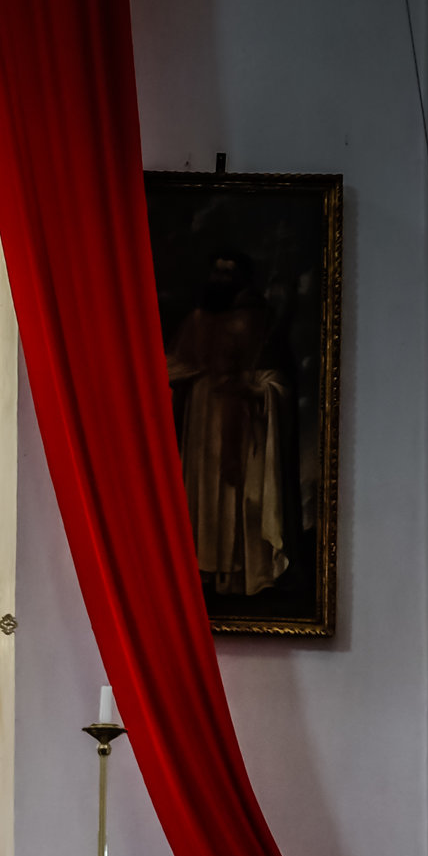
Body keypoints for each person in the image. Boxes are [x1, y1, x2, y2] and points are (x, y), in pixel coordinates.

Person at [168, 247, 292, 597]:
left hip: (239, 415)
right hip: (203, 418)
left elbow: (273, 372)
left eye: (228, 273)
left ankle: (233, 575)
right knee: (203, 493)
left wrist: (253, 391)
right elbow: (179, 362)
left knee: (235, 495)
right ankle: (203, 573)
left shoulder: (258, 319)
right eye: (217, 272)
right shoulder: (197, 320)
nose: (220, 279)